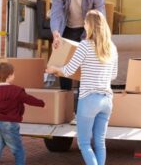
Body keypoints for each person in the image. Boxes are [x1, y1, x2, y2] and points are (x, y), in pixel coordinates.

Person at [46, 10, 118, 165]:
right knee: (99, 142)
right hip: (106, 101)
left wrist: (54, 69)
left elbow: (69, 70)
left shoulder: (85, 45)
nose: (84, 25)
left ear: (90, 25)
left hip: (89, 99)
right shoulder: (112, 47)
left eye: (85, 23)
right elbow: (113, 75)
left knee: (84, 143)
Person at [50, 0, 106, 93]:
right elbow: (56, 12)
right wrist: (56, 33)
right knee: (64, 60)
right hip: (67, 27)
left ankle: (83, 95)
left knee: (85, 62)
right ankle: (65, 97)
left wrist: (94, 36)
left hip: (87, 30)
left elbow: (101, 14)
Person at [0, 62, 45, 165]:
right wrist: (41, 103)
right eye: (13, 74)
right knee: (18, 151)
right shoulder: (16, 91)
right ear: (9, 76)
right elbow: (28, 99)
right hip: (9, 124)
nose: (14, 76)